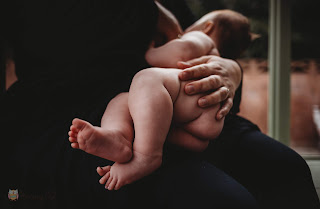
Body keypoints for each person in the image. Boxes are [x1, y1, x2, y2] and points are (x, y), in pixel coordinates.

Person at [1, 0, 319, 209]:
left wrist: (231, 72)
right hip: (70, 104)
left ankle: (140, 148)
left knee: (288, 171)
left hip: (160, 106)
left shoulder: (190, 32)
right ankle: (139, 146)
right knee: (224, 203)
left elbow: (177, 54)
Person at [68, 9, 251, 191]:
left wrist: (152, 52)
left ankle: (146, 156)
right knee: (124, 101)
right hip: (199, 124)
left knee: (146, 79)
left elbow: (182, 51)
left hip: (192, 100)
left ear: (207, 27)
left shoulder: (203, 38)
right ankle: (118, 136)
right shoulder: (218, 59)